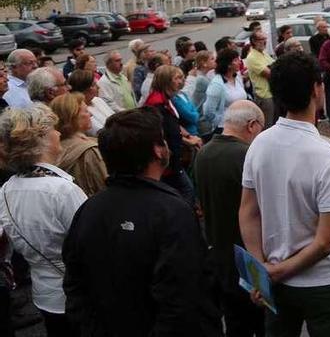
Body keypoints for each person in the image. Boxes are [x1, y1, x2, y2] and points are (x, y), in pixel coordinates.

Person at [62, 107, 223, 336]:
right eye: (163, 139)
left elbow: (74, 287)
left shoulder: (88, 209)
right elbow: (182, 298)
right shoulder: (173, 212)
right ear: (158, 151)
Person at [239, 51, 330, 336]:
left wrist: (262, 270)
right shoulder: (329, 157)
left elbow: (248, 211)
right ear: (317, 89)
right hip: (323, 283)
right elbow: (325, 242)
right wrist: (273, 272)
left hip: (276, 278)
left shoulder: (259, 143)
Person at [0, 105, 87, 336]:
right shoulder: (61, 190)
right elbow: (90, 246)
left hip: (45, 295)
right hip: (78, 295)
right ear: (41, 139)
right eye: (54, 129)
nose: (59, 134)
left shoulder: (7, 189)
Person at [194, 100, 265, 337]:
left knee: (236, 325)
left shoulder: (203, 153)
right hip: (249, 257)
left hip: (219, 256)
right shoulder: (247, 156)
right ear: (252, 125)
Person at [145, 65, 200, 204]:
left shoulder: (167, 99)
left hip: (174, 157)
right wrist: (187, 141)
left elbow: (173, 123)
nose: (180, 82)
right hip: (167, 161)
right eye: (177, 78)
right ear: (166, 81)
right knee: (187, 190)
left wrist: (187, 136)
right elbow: (162, 131)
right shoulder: (156, 104)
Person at [204, 49, 248, 135]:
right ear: (228, 65)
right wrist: (222, 123)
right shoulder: (216, 84)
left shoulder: (237, 77)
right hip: (226, 129)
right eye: (236, 60)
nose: (240, 62)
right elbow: (208, 112)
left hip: (241, 124)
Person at [67, 69, 115, 137]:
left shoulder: (97, 100)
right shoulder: (80, 111)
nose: (98, 87)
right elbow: (99, 132)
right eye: (94, 85)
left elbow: (115, 117)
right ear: (85, 89)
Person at [245, 30, 275, 126]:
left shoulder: (263, 53)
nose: (265, 42)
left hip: (272, 93)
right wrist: (273, 68)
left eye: (265, 39)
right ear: (254, 41)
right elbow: (270, 74)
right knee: (267, 125)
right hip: (264, 96)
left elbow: (276, 66)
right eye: (261, 39)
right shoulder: (252, 57)